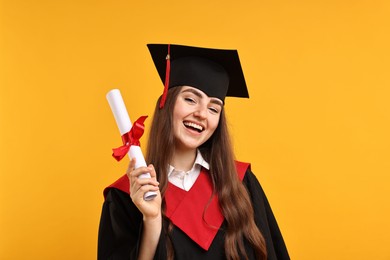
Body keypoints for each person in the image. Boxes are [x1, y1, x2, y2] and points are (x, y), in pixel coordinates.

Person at [98, 44, 289, 260]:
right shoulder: (126, 196)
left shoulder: (240, 183)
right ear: (166, 102)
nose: (201, 114)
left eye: (213, 108)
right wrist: (151, 220)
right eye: (190, 99)